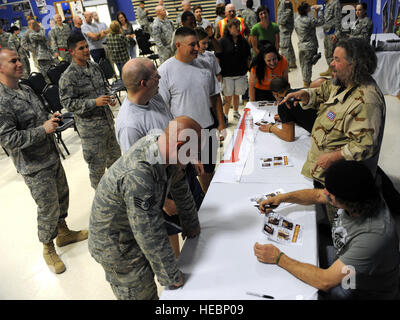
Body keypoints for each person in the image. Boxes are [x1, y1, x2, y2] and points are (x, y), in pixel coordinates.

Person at [89, 116, 202, 300]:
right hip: (115, 243)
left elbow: (180, 185)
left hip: (134, 227)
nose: (194, 158)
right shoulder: (139, 175)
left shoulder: (165, 145)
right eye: (193, 153)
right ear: (180, 146)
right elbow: (150, 232)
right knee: (142, 293)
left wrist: (192, 225)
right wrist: (170, 275)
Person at [254, 160, 400, 300]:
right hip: (343, 256)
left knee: (297, 287)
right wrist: (282, 198)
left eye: (330, 195)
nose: (324, 193)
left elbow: (324, 281)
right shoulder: (361, 195)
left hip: (359, 290)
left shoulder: (373, 237)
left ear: (346, 201)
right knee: (303, 256)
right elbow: (317, 195)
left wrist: (278, 258)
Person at [0, 48, 88, 275]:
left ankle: (64, 233)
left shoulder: (26, 88)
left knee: (62, 196)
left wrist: (50, 120)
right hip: (33, 165)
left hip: (50, 154)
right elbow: (8, 140)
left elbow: (39, 119)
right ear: (1, 67)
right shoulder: (2, 100)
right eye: (13, 61)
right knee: (47, 207)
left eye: (19, 59)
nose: (20, 64)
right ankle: (48, 247)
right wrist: (42, 130)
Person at [282, 38, 385, 223]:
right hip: (326, 175)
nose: (331, 63)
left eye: (337, 59)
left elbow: (366, 145)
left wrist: (332, 157)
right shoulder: (343, 81)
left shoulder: (367, 101)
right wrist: (306, 95)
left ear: (353, 65)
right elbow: (322, 92)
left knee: (338, 225)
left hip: (344, 187)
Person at [115, 58, 204, 257]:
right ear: (143, 83)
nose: (160, 78)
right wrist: (163, 202)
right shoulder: (129, 125)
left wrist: (192, 156)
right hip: (162, 188)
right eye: (156, 76)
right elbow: (135, 174)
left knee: (198, 226)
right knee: (172, 239)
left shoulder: (154, 97)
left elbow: (174, 128)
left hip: (180, 172)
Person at [158, 27, 225, 193]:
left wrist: (221, 123)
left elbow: (215, 96)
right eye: (192, 44)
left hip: (207, 129)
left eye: (197, 43)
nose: (198, 48)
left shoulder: (205, 64)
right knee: (185, 178)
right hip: (182, 136)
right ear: (178, 45)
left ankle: (211, 205)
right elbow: (162, 109)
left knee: (208, 172)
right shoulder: (165, 71)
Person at [59, 34, 121, 189]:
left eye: (86, 46)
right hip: (91, 132)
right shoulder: (68, 76)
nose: (86, 50)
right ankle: (102, 206)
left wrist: (111, 97)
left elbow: (105, 87)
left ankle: (119, 197)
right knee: (97, 171)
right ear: (72, 51)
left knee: (116, 165)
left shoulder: (94, 67)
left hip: (107, 124)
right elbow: (68, 103)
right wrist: (94, 103)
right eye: (81, 48)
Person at [259, 77, 317, 141]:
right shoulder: (302, 92)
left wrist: (271, 128)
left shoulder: (284, 103)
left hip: (322, 134)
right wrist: (286, 118)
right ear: (289, 85)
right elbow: (304, 114)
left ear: (276, 94)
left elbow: (288, 137)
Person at [216, 19, 251, 121]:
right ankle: (225, 116)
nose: (238, 29)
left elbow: (248, 56)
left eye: (239, 26)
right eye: (235, 27)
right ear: (229, 28)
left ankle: (236, 112)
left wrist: (248, 69)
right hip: (227, 74)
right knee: (227, 96)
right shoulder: (222, 41)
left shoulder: (243, 41)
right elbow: (217, 57)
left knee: (237, 94)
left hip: (240, 73)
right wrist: (217, 72)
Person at [295, 2, 324, 87]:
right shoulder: (309, 20)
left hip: (301, 45)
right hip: (310, 46)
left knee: (304, 65)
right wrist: (319, 11)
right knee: (308, 65)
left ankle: (306, 81)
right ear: (306, 10)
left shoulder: (296, 20)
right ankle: (307, 84)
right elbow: (321, 22)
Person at [320, 0, 342, 77]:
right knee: (327, 53)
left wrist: (336, 34)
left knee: (332, 53)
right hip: (327, 32)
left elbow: (338, 19)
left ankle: (336, 72)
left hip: (332, 33)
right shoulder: (327, 3)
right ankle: (330, 69)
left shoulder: (336, 3)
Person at [277, 0, 296, 69]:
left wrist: (281, 22)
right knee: (288, 45)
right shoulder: (282, 1)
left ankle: (285, 67)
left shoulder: (285, 1)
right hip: (285, 26)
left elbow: (288, 11)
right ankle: (292, 62)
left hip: (285, 27)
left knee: (284, 47)